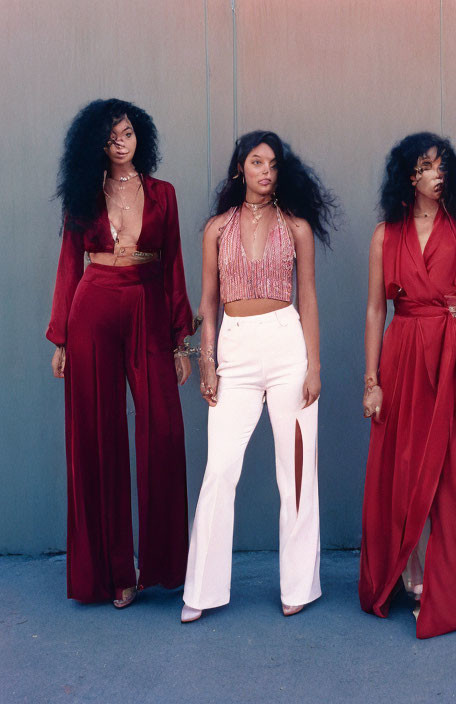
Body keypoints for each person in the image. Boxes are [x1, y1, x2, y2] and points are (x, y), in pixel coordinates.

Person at [180, 131, 335, 622]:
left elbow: (307, 296)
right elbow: (206, 301)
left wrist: (314, 364)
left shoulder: (297, 228)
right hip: (235, 347)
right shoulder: (215, 229)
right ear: (239, 169)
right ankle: (200, 592)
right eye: (256, 161)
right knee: (220, 469)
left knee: (295, 470)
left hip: (287, 345)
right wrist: (206, 358)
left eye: (272, 164)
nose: (266, 171)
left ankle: (299, 586)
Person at [47, 99, 194, 608]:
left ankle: (162, 565)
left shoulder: (163, 194)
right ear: (97, 144)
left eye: (127, 132)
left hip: (149, 301)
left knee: (162, 430)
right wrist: (62, 337)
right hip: (94, 304)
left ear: (140, 137)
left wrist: (182, 340)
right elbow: (70, 264)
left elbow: (173, 264)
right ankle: (115, 573)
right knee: (98, 436)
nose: (120, 141)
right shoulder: (83, 196)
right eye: (110, 135)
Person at [359, 132, 456, 638]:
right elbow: (375, 309)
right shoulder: (384, 235)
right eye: (427, 166)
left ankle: (446, 587)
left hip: (454, 352)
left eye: (443, 165)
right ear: (408, 175)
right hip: (403, 353)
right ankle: (412, 581)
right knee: (406, 466)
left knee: (453, 469)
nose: (439, 174)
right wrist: (371, 381)